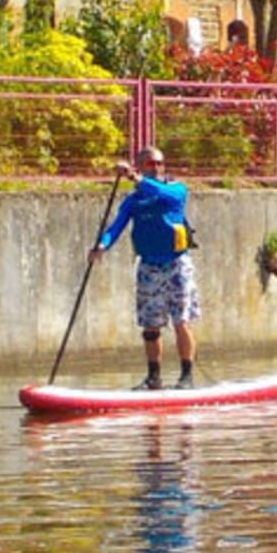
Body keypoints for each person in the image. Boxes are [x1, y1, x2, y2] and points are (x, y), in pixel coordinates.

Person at [89, 147, 200, 390]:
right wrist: (102, 245)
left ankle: (186, 377)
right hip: (149, 266)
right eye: (150, 163)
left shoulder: (175, 191)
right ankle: (154, 378)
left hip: (176, 265)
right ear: (141, 165)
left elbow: (157, 190)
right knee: (151, 326)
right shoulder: (134, 201)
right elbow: (116, 226)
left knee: (181, 321)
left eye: (160, 163)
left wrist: (134, 178)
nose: (157, 167)